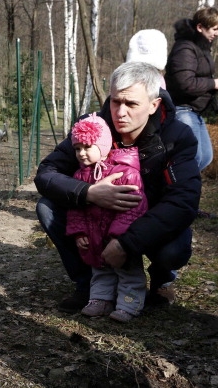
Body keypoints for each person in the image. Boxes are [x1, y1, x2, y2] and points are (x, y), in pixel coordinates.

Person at [35, 62, 201, 312]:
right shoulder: (91, 128)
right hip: (96, 217)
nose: (120, 112)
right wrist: (88, 193)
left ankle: (162, 279)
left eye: (131, 104)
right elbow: (47, 173)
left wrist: (128, 243)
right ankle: (88, 284)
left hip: (147, 217)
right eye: (115, 101)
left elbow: (183, 201)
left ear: (153, 105)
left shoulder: (177, 137)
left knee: (174, 249)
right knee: (47, 208)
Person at [66, 113, 148, 323]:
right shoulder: (80, 176)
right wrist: (79, 232)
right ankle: (101, 300)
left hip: (119, 239)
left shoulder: (126, 173)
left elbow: (133, 207)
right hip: (94, 236)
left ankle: (129, 304)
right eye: (77, 148)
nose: (82, 153)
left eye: (87, 147)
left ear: (103, 146)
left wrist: (118, 236)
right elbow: (76, 209)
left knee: (128, 272)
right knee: (100, 270)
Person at [165, 6, 218, 173]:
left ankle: (177, 186)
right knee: (193, 159)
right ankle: (172, 189)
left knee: (205, 157)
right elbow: (184, 83)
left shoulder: (201, 48)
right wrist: (213, 83)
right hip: (182, 110)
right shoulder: (185, 48)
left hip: (195, 111)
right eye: (214, 29)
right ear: (200, 27)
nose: (217, 34)